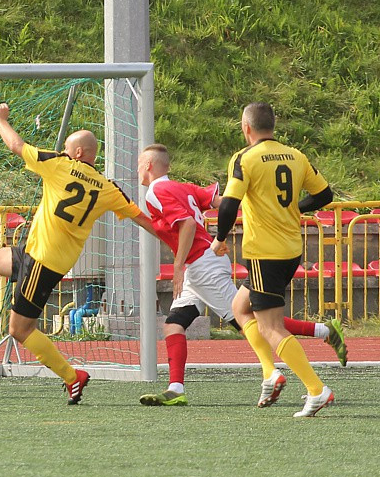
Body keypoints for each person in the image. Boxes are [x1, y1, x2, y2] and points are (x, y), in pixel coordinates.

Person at [0, 102, 157, 405]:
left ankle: (72, 376)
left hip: (43, 262)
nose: (62, 148)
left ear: (77, 153)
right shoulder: (107, 187)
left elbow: (16, 144)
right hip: (37, 253)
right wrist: (180, 239)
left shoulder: (60, 164)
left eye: (66, 146)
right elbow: (143, 219)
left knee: (19, 330)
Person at [136, 144, 347, 407]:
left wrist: (177, 265)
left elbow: (188, 224)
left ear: (147, 166)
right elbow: (222, 203)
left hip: (202, 266)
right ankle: (176, 387)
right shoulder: (182, 187)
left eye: (138, 164)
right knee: (174, 323)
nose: (136, 169)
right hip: (201, 265)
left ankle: (307, 345)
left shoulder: (155, 191)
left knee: (250, 319)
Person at [211, 102, 337, 417]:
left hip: (264, 252)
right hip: (291, 249)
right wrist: (298, 208)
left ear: (246, 127)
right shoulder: (296, 155)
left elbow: (229, 204)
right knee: (240, 307)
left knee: (271, 327)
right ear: (274, 126)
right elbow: (325, 196)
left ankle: (316, 389)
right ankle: (270, 372)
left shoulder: (244, 158)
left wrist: (220, 238)